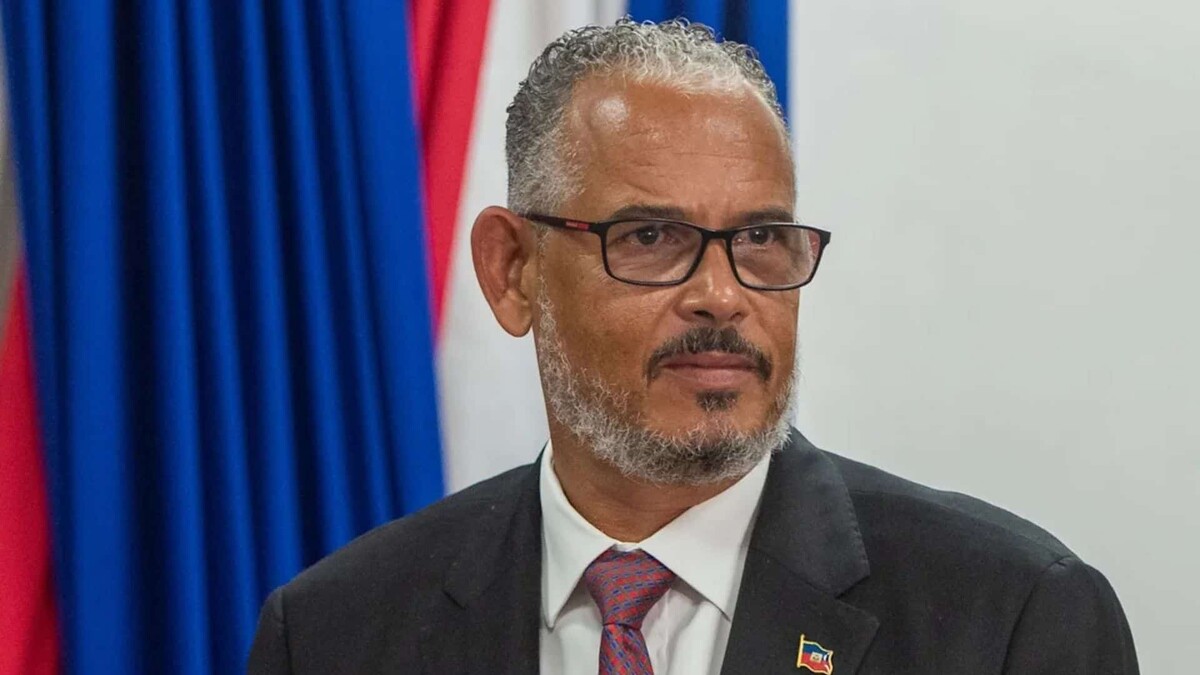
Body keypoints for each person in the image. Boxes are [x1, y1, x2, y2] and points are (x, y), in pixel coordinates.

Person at [248, 18, 1138, 675]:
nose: (723, 293)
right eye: (651, 237)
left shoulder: (1010, 617)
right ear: (513, 271)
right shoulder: (334, 634)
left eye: (760, 239)